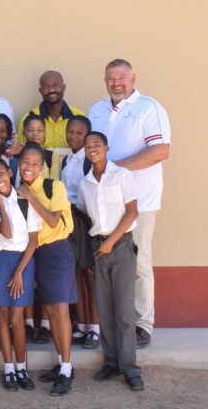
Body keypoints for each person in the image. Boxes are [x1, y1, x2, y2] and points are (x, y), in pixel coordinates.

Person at [87, 59, 170, 348]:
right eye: (111, 77)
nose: (116, 82)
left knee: (139, 262)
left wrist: (115, 170)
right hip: (103, 205)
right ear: (105, 79)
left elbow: (160, 150)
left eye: (122, 77)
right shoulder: (97, 110)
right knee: (106, 262)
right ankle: (109, 324)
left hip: (140, 200)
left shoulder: (149, 107)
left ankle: (142, 324)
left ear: (133, 78)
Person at [80, 131, 144, 392]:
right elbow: (86, 217)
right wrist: (97, 246)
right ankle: (111, 362)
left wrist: (110, 241)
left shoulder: (122, 175)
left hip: (121, 246)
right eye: (88, 146)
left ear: (106, 147)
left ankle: (130, 368)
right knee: (104, 309)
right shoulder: (86, 183)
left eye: (96, 145)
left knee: (124, 311)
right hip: (98, 249)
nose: (92, 149)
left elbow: (132, 211)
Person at [18, 143, 77, 397]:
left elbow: (53, 220)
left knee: (61, 309)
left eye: (34, 164)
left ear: (42, 166)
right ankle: (61, 362)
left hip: (56, 251)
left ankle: (66, 370)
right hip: (35, 253)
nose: (29, 168)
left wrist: (31, 197)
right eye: (25, 163)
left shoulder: (54, 187)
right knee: (50, 311)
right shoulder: (16, 190)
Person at [0, 158, 40, 392]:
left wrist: (20, 272)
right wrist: (0, 201)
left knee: (17, 319)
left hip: (23, 262)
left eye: (1, 173)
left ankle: (22, 367)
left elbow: (33, 240)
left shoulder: (26, 200)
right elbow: (6, 231)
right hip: (1, 263)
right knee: (3, 318)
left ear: (10, 173)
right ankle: (8, 369)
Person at [59, 115, 100, 349]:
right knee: (75, 272)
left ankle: (95, 327)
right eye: (70, 132)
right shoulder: (66, 161)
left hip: (86, 220)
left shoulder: (89, 161)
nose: (74, 137)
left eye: (79, 133)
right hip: (68, 220)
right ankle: (82, 324)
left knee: (90, 275)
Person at [17, 71, 86, 149]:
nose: (51, 90)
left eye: (55, 85)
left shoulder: (79, 117)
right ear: (40, 91)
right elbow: (22, 153)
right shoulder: (27, 120)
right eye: (46, 87)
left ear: (64, 87)